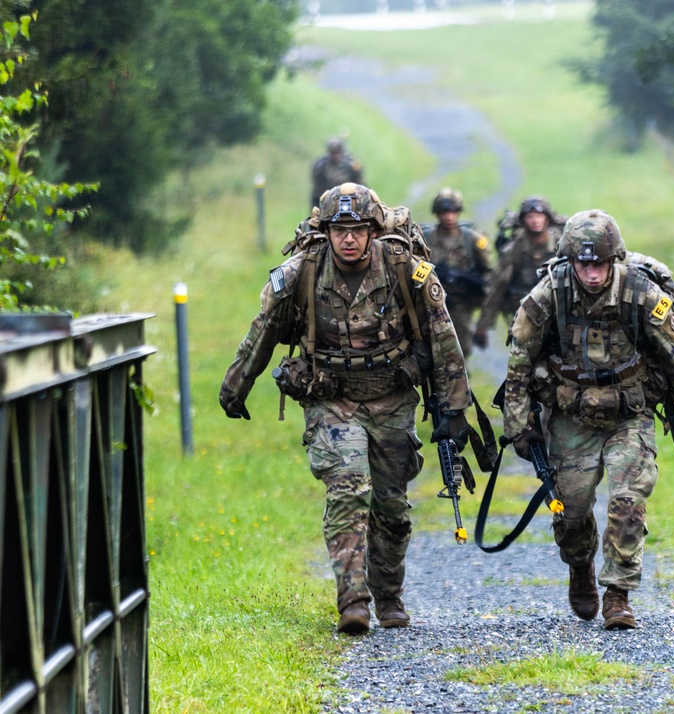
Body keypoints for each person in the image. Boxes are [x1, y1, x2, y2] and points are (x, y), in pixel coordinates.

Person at [219, 182, 473, 636]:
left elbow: (443, 338)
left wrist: (454, 409)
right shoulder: (302, 272)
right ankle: (353, 601)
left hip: (393, 398)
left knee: (392, 507)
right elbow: (263, 331)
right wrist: (236, 385)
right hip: (331, 400)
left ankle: (389, 595)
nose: (349, 238)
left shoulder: (406, 270)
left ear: (373, 230)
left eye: (358, 229)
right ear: (328, 233)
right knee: (347, 491)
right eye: (341, 230)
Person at [502, 209, 674, 630]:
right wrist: (519, 425)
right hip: (572, 417)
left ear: (613, 259)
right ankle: (580, 566)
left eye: (600, 263)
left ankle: (618, 594)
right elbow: (519, 362)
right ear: (570, 261)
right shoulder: (550, 294)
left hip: (630, 415)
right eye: (584, 264)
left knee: (628, 500)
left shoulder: (641, 293)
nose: (592, 273)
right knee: (572, 512)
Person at [473, 195, 563, 349]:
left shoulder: (561, 244)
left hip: (556, 311)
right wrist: (483, 326)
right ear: (523, 221)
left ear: (547, 219)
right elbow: (497, 287)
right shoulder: (514, 250)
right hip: (523, 314)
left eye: (539, 216)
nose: (535, 221)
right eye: (530, 217)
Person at [422, 187, 494, 355]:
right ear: (437, 213)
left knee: (462, 349)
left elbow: (487, 272)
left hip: (461, 303)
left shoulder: (472, 239)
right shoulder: (425, 238)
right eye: (444, 211)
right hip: (429, 303)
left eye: (453, 211)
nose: (449, 216)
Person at [311, 137, 364, 208]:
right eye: (332, 153)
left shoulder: (351, 164)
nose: (335, 156)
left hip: (349, 197)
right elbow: (317, 186)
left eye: (337, 153)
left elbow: (358, 180)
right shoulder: (320, 166)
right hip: (327, 199)